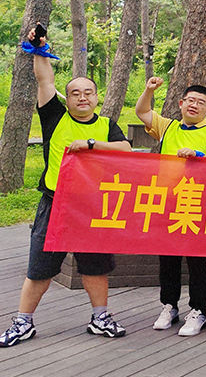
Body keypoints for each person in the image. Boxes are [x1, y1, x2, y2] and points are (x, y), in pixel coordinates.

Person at [1, 31, 131, 348]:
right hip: (55, 204)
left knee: (96, 267)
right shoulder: (54, 116)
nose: (82, 98)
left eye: (88, 93)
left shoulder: (106, 125)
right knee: (40, 269)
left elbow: (126, 149)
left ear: (97, 97)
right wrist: (40, 49)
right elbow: (45, 79)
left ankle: (100, 318)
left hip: (92, 207)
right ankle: (23, 322)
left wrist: (91, 144)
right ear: (68, 98)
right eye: (75, 93)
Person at [136, 77, 206, 336]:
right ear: (181, 103)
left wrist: (199, 157)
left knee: (198, 261)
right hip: (168, 203)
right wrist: (149, 90)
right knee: (168, 259)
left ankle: (199, 310)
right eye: (190, 100)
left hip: (198, 205)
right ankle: (169, 306)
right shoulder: (168, 127)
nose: (194, 105)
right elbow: (142, 112)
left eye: (201, 103)